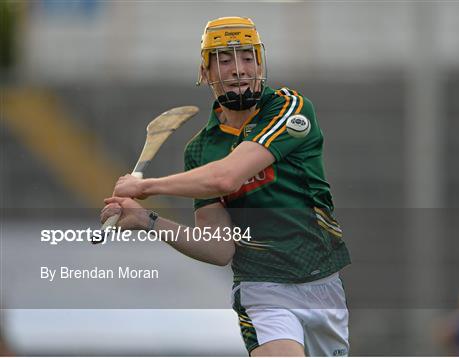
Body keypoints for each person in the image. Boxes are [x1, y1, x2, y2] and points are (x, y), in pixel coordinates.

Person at [101, 16, 351, 357]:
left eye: (247, 57)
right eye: (224, 59)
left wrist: (149, 186)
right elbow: (219, 249)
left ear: (259, 63)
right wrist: (148, 220)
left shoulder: (289, 109)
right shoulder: (201, 150)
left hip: (325, 286)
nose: (238, 69)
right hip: (262, 290)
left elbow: (226, 177)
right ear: (205, 73)